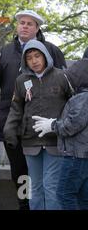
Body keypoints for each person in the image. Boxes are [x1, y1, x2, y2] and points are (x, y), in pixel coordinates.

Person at [0, 9, 66, 210]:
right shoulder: (5, 51)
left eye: (30, 23)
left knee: (45, 177)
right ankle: (24, 205)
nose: (25, 26)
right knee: (20, 172)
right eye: (22, 23)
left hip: (43, 127)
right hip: (12, 123)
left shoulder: (52, 51)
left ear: (37, 28)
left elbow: (65, 84)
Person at [3, 40, 73, 210]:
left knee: (51, 186)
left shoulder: (62, 76)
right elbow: (16, 108)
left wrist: (64, 126)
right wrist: (9, 131)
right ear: (24, 62)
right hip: (30, 142)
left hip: (55, 141)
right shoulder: (21, 80)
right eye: (29, 58)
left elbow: (74, 104)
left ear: (45, 56)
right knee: (34, 188)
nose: (34, 61)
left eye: (37, 56)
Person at [32, 56, 88, 209]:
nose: (68, 83)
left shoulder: (82, 98)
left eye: (70, 78)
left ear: (79, 79)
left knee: (64, 194)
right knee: (83, 197)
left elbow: (72, 125)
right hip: (82, 155)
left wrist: (53, 125)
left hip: (75, 156)